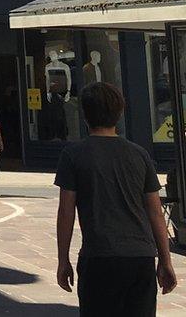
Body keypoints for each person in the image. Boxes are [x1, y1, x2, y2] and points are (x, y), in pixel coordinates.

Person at [55, 82, 177, 315]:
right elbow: (155, 211)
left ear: (85, 115)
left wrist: (63, 259)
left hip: (99, 256)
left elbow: (66, 211)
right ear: (119, 113)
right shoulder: (139, 154)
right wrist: (165, 259)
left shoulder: (73, 155)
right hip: (139, 256)